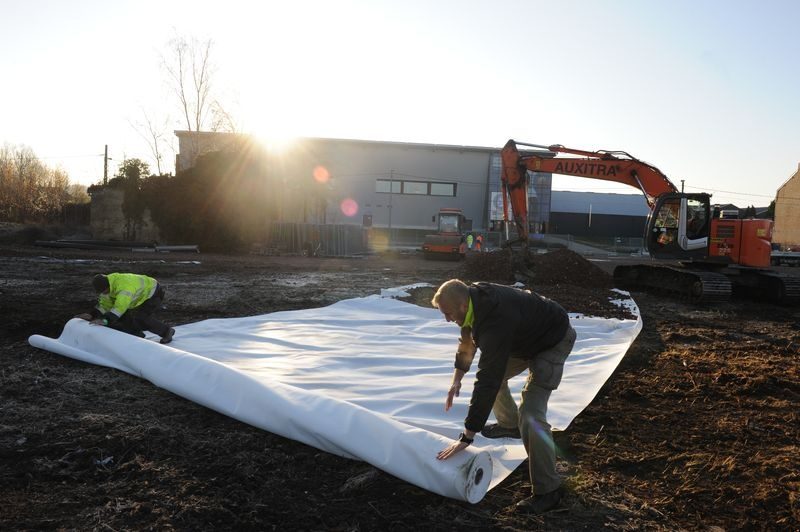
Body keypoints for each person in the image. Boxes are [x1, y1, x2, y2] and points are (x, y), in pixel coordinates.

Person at [432, 279, 576, 514]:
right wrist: (456, 379)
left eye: (447, 314)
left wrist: (467, 436)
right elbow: (467, 342)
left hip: (553, 340)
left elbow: (487, 379)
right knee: (499, 383)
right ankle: (510, 425)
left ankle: (549, 490)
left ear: (461, 306)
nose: (447, 319)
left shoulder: (495, 319)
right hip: (525, 338)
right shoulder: (471, 303)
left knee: (531, 414)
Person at [76, 273, 175, 344]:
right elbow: (105, 306)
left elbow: (119, 309)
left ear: (108, 286)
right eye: (102, 292)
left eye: (105, 291)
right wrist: (92, 314)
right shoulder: (105, 289)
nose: (104, 293)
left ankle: (167, 331)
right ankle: (136, 334)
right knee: (124, 316)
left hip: (152, 291)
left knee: (141, 317)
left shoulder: (124, 287)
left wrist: (105, 320)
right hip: (138, 295)